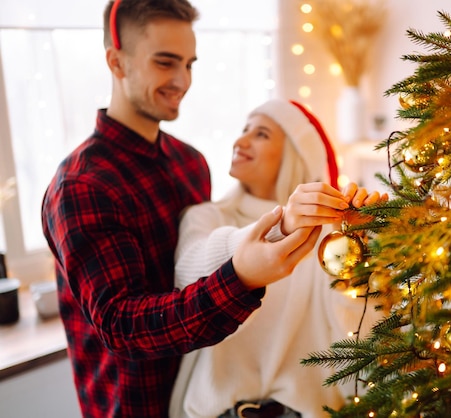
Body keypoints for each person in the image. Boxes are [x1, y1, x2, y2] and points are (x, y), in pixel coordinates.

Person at [41, 2, 352, 417]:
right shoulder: (83, 184)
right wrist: (240, 277)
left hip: (196, 398)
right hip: (132, 407)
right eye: (165, 63)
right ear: (116, 61)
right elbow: (122, 326)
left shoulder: (190, 163)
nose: (181, 81)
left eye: (189, 64)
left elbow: (199, 257)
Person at [169, 99, 387, 418]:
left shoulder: (326, 237)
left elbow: (360, 343)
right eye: (244, 130)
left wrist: (358, 256)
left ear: (295, 153)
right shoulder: (206, 217)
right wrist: (281, 225)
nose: (240, 141)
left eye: (261, 134)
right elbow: (191, 275)